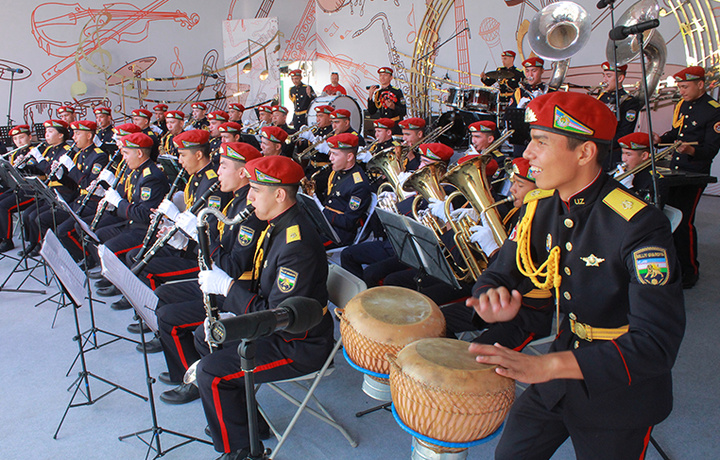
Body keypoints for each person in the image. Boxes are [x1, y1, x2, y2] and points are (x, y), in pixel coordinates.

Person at [466, 91, 685, 459]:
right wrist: (491, 295)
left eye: (540, 142)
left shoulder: (639, 225)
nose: (527, 154)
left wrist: (547, 365)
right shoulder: (542, 205)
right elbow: (501, 270)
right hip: (560, 365)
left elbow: (655, 346)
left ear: (584, 153)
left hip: (619, 390)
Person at [195, 155, 333, 459]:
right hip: (281, 329)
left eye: (255, 190)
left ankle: (240, 450)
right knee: (202, 335)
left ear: (279, 194)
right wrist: (231, 305)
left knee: (211, 373)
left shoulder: (296, 243)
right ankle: (246, 424)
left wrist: (228, 289)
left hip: (298, 345)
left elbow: (274, 318)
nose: (249, 196)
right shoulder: (278, 224)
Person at [153, 141, 264, 386]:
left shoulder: (250, 209)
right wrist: (186, 238)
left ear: (243, 172)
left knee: (169, 317)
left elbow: (233, 267)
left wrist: (200, 235)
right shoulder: (234, 201)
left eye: (224, 166)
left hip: (235, 288)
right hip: (217, 277)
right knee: (162, 294)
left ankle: (190, 379)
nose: (218, 172)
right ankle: (188, 366)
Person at [654, 65, 720, 288]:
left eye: (685, 87)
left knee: (684, 222)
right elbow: (676, 133)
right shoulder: (682, 105)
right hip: (676, 170)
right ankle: (673, 265)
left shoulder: (714, 110)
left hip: (696, 173)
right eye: (680, 87)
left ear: (700, 84)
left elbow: (711, 148)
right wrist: (659, 139)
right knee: (669, 218)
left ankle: (690, 270)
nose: (681, 91)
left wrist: (691, 151)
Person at [313, 132, 372, 247]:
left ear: (349, 157)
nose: (330, 158)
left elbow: (347, 222)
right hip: (326, 224)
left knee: (303, 244)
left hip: (338, 234)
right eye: (331, 154)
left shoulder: (358, 185)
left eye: (335, 154)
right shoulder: (338, 171)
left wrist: (321, 210)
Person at [597, 62, 640, 169]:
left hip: (612, 153)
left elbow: (625, 132)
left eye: (609, 76)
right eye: (604, 76)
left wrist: (602, 144)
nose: (605, 80)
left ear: (620, 78)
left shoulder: (628, 101)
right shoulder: (601, 97)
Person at [0, 125, 35, 252]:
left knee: (3, 206)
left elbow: (40, 172)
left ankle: (7, 240)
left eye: (21, 137)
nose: (18, 142)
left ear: (29, 137)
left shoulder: (35, 152)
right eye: (15, 139)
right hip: (18, 188)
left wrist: (27, 166)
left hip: (31, 190)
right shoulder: (15, 153)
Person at [615, 132, 666, 205]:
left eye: (628, 154)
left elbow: (647, 213)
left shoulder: (656, 181)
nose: (623, 159)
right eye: (623, 153)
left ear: (644, 156)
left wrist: (628, 190)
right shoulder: (624, 172)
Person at [367, 66, 406, 131]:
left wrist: (393, 107)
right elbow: (372, 111)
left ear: (391, 78)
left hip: (394, 125)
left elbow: (404, 111)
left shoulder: (397, 91)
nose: (382, 77)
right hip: (383, 126)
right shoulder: (378, 93)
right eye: (380, 75)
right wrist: (370, 97)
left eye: (385, 75)